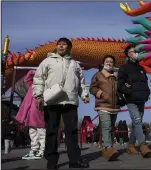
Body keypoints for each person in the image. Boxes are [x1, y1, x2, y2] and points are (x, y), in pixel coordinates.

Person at [32, 37, 89, 169]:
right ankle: (51, 161)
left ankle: (75, 161)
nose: (61, 46)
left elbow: (80, 82)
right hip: (52, 101)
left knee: (72, 132)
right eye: (59, 44)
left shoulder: (75, 64)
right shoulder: (47, 62)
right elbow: (39, 79)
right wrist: (38, 96)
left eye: (64, 45)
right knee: (51, 131)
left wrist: (84, 95)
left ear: (69, 47)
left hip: (70, 101)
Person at [118, 44, 151, 158]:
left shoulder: (141, 69)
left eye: (135, 51)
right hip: (131, 99)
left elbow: (145, 82)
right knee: (137, 121)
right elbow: (120, 84)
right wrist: (128, 91)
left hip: (141, 98)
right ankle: (143, 145)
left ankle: (131, 145)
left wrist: (147, 93)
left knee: (136, 123)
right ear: (127, 54)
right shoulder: (123, 68)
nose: (134, 53)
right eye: (131, 52)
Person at [89, 55, 120, 161]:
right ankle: (108, 147)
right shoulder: (98, 75)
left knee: (111, 126)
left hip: (114, 106)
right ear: (103, 63)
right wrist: (102, 94)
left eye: (111, 62)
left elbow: (119, 89)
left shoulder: (115, 76)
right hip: (102, 105)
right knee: (106, 125)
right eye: (107, 61)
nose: (109, 63)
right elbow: (92, 88)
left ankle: (108, 147)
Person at [16, 70, 46, 160]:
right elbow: (27, 79)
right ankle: (34, 149)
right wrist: (33, 72)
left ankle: (42, 149)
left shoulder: (45, 86)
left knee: (41, 132)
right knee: (32, 132)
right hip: (31, 113)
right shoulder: (32, 85)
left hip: (40, 112)